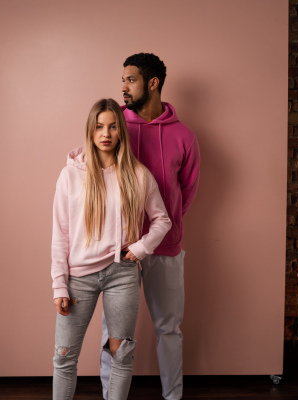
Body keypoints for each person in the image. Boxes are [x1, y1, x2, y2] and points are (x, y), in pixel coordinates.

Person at [52, 98, 172, 400]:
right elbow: (61, 234)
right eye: (99, 126)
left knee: (121, 356)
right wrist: (59, 285)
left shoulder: (138, 174)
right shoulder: (70, 176)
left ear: (121, 132)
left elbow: (162, 219)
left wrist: (142, 247)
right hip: (78, 278)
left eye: (113, 126)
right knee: (64, 357)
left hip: (123, 274)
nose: (105, 133)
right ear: (90, 131)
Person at [100, 53, 200, 400]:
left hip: (165, 248)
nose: (123, 86)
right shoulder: (114, 129)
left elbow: (186, 190)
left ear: (152, 83)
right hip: (118, 250)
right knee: (112, 334)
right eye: (123, 79)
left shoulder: (184, 136)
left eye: (130, 79)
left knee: (168, 329)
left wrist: (164, 229)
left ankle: (173, 397)